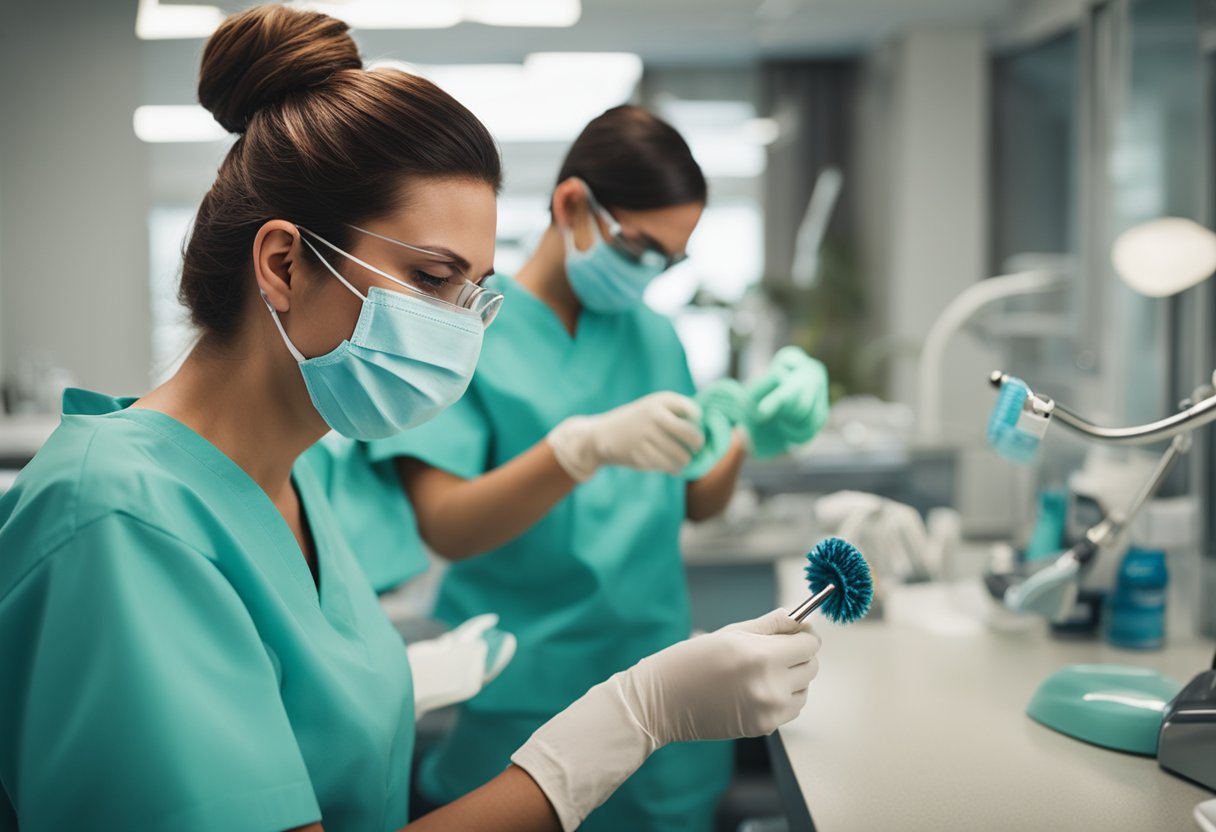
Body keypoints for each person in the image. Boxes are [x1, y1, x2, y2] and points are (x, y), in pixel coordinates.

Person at [0, 7, 821, 832]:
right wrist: (624, 722)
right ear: (284, 265)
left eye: (475, 294)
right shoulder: (116, 519)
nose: (462, 329)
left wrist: (381, 685)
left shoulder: (287, 486)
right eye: (433, 280)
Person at [314, 105, 833, 831]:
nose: (650, 273)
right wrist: (575, 451)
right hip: (526, 705)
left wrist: (748, 433)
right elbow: (450, 528)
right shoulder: (465, 334)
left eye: (670, 260)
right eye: (642, 247)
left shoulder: (655, 336)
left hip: (667, 696)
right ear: (571, 206)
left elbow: (694, 502)